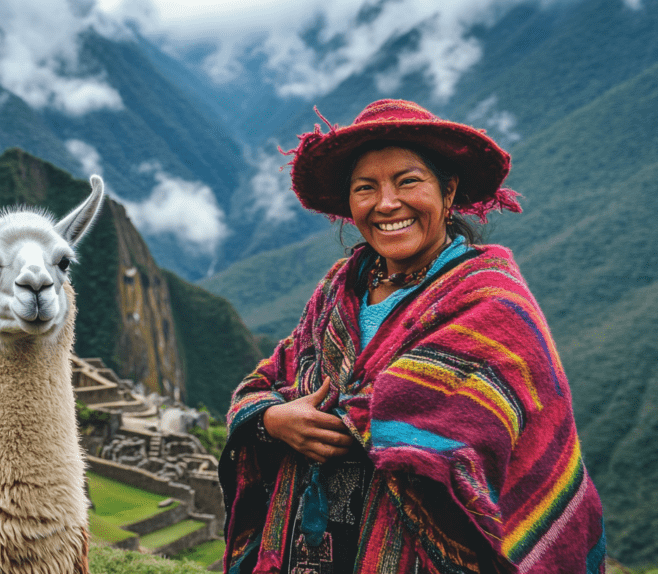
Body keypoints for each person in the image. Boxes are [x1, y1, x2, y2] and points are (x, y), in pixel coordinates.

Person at [220, 100, 606, 574]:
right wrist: (274, 420)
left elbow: (465, 432)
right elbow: (263, 383)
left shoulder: (494, 306)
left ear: (448, 191)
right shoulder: (337, 292)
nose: (386, 204)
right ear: (350, 205)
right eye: (366, 188)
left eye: (408, 181)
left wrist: (337, 418)